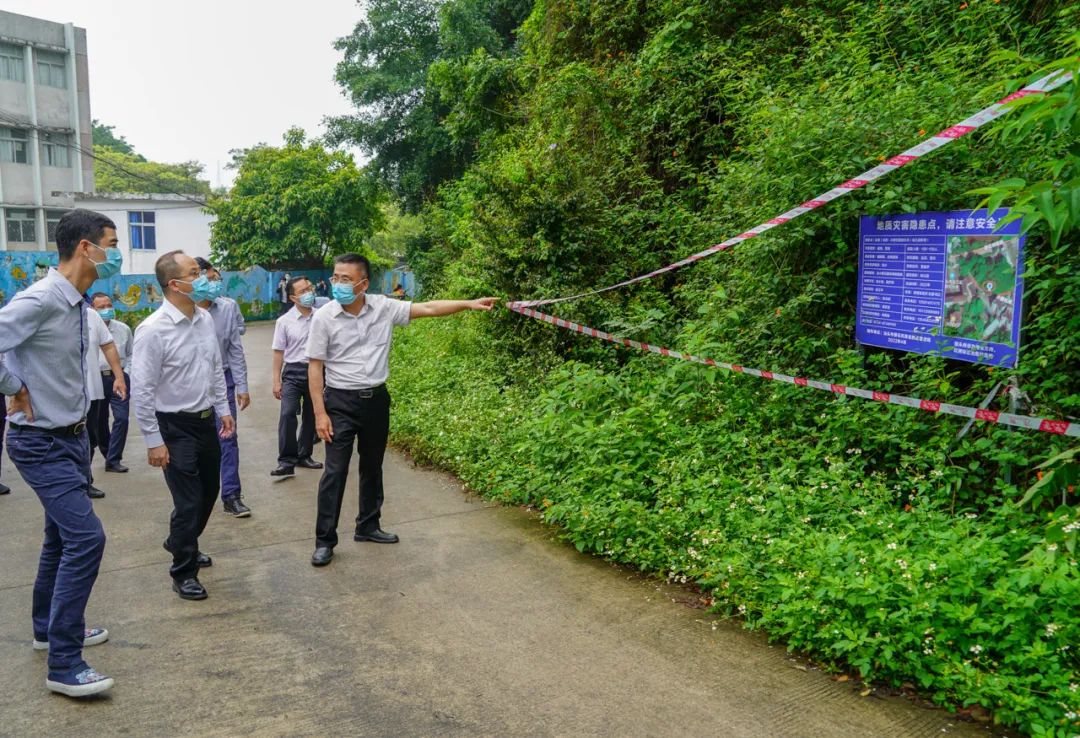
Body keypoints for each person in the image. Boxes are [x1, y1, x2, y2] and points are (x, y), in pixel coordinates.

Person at [306, 253, 496, 567]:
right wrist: (319, 413)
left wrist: (468, 303)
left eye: (345, 279)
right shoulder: (324, 317)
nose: (337, 283)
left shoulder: (382, 307)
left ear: (363, 283)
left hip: (376, 400)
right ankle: (324, 540)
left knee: (372, 465)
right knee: (335, 471)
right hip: (339, 402)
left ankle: (368, 525)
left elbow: (430, 308)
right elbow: (315, 367)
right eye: (335, 277)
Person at [0, 208, 121, 697]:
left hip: (71, 439)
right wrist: (11, 385)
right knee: (87, 539)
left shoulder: (76, 301)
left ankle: (46, 630)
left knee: (60, 539)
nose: (116, 253)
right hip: (39, 442)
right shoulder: (44, 297)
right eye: (111, 243)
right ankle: (65, 663)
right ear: (86, 248)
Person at [132, 250, 235, 601]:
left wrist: (223, 408)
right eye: (196, 272)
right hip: (173, 427)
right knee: (189, 502)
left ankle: (181, 540)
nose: (205, 276)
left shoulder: (204, 319)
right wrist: (153, 440)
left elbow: (214, 368)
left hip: (206, 421)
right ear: (175, 284)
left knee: (209, 493)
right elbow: (142, 391)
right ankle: (183, 570)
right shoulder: (152, 331)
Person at [194, 257, 252, 518]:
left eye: (215, 278)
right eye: (208, 278)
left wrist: (242, 385)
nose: (214, 283)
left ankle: (231, 495)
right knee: (195, 445)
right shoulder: (180, 312)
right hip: (191, 386)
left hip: (224, 382)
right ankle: (195, 498)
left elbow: (234, 349)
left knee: (228, 438)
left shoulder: (226, 308)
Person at [270, 276, 323, 477]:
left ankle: (304, 455)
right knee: (287, 414)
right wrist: (276, 381)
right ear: (292, 297)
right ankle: (286, 460)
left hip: (316, 372)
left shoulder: (321, 317)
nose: (309, 292)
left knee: (311, 415)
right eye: (303, 291)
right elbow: (278, 352)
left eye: (310, 288)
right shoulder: (284, 322)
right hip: (292, 372)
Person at [83, 307, 127, 498]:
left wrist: (120, 376)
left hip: (93, 390)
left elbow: (108, 345)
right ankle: (79, 482)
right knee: (70, 440)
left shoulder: (91, 316)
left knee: (89, 440)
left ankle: (85, 481)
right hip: (65, 392)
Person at [89, 293, 133, 473]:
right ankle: (108, 453)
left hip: (118, 378)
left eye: (109, 305)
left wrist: (125, 373)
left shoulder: (123, 329)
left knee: (122, 418)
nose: (107, 310)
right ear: (93, 309)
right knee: (99, 422)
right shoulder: (88, 329)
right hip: (96, 378)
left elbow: (131, 354)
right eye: (101, 307)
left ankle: (114, 459)